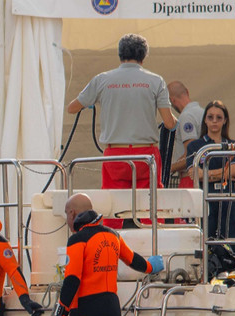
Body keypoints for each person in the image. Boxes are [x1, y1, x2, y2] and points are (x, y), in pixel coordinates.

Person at [68, 34, 176, 195]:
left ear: (120, 54)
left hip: (115, 155)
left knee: (113, 206)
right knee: (149, 209)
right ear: (144, 56)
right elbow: (169, 123)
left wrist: (91, 102)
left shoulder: (102, 79)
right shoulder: (156, 81)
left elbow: (72, 108)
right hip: (145, 154)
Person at [187, 101, 235, 240]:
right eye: (210, 117)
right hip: (206, 197)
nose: (214, 121)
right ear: (205, 119)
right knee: (205, 240)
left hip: (229, 197)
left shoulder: (232, 144)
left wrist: (207, 173)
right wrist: (224, 172)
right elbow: (195, 174)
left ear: (225, 121)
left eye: (219, 117)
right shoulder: (195, 145)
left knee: (231, 240)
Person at [167, 81, 204, 188]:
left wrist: (168, 168)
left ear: (172, 101)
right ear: (187, 92)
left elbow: (190, 154)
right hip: (202, 176)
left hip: (189, 178)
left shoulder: (186, 117)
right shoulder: (203, 112)